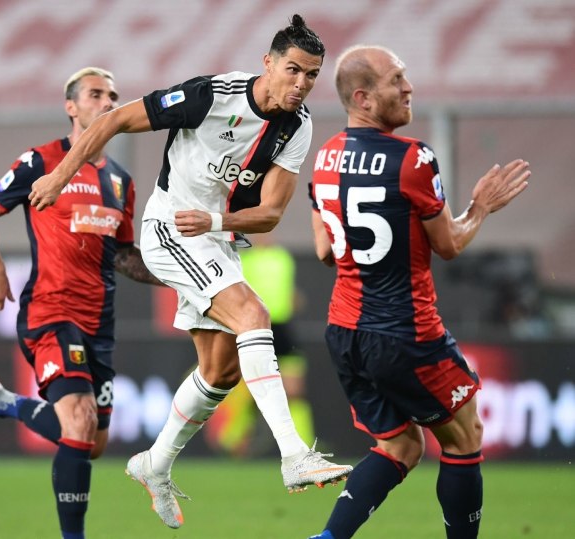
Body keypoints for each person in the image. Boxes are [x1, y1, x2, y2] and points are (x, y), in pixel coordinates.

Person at [28, 14, 352, 530]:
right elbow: (112, 121)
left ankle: (154, 464)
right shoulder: (211, 95)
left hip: (214, 238)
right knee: (253, 315)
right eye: (293, 70)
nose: (301, 84)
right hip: (168, 228)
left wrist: (216, 221)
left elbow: (270, 213)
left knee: (220, 371)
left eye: (311, 75)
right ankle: (294, 455)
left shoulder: (298, 126)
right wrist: (61, 176)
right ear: (268, 64)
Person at [307, 45, 530, 539]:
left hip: (345, 332)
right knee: (465, 435)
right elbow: (449, 245)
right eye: (396, 79)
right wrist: (480, 207)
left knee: (401, 447)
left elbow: (324, 250)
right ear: (363, 98)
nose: (408, 88)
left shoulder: (325, 157)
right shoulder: (413, 157)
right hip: (404, 332)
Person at [0, 67, 161, 539]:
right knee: (77, 420)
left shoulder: (120, 181)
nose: (108, 102)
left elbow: (123, 256)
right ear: (70, 106)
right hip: (52, 311)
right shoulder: (42, 161)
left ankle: (6, 404)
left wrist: (180, 275)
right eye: (96, 94)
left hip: (100, 323)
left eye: (113, 95)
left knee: (91, 442)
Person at [206, 233, 315, 456]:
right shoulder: (243, 261)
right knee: (250, 391)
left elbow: (287, 290)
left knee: (294, 392)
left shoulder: (283, 257)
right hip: (255, 328)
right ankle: (233, 439)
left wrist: (293, 299)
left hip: (283, 329)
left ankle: (305, 448)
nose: (263, 236)